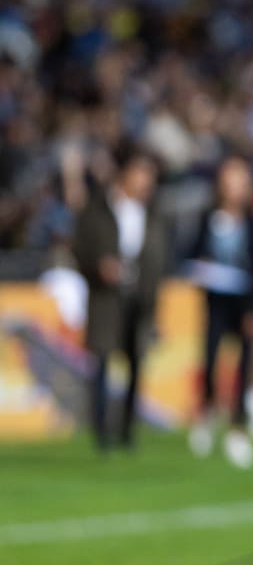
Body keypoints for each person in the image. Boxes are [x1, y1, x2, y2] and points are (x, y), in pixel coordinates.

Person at [72, 140, 165, 450]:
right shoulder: (98, 208)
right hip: (105, 296)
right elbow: (79, 248)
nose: (146, 181)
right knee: (101, 361)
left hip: (139, 296)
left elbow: (159, 258)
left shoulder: (152, 213)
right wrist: (100, 267)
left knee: (134, 361)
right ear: (125, 174)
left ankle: (127, 430)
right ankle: (101, 431)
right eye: (141, 173)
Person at [185, 155, 253, 468]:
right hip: (216, 300)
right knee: (210, 356)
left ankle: (237, 427)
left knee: (244, 365)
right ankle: (205, 414)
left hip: (244, 305)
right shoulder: (209, 218)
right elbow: (192, 253)